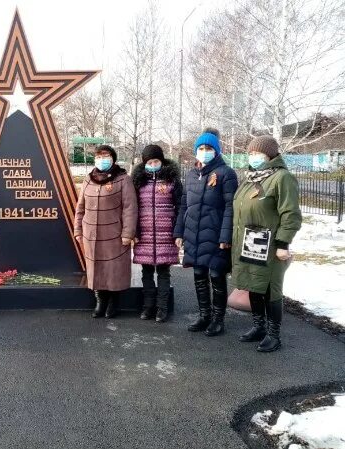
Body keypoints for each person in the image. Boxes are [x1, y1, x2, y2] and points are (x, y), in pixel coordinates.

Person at [232, 136, 302, 352]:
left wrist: (283, 243)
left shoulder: (282, 178)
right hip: (250, 240)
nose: (253, 157)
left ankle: (274, 334)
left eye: (257, 153)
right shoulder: (251, 178)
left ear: (270, 154)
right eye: (250, 153)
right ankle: (259, 326)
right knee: (254, 284)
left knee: (271, 288)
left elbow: (291, 214)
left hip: (270, 244)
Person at [173, 128, 238, 336]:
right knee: (199, 274)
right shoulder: (192, 175)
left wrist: (226, 236)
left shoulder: (226, 174)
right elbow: (184, 205)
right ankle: (204, 315)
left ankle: (218, 319)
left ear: (216, 151)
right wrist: (179, 232)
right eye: (200, 148)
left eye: (208, 148)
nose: (204, 151)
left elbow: (231, 207)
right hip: (194, 233)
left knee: (217, 275)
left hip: (216, 234)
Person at [74, 144, 138, 319]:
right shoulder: (88, 179)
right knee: (96, 269)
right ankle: (100, 302)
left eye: (106, 156)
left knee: (113, 269)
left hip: (114, 234)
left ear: (113, 158)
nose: (102, 159)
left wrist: (128, 234)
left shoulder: (123, 179)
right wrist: (78, 229)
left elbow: (130, 209)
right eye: (99, 156)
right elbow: (80, 207)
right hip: (91, 235)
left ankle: (113, 303)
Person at [132, 144, 182, 323]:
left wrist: (178, 232)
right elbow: (133, 209)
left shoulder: (172, 180)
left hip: (165, 234)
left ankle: (162, 308)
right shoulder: (138, 182)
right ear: (144, 163)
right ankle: (148, 306)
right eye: (149, 161)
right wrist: (134, 231)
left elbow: (180, 207)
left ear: (162, 161)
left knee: (163, 272)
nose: (153, 164)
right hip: (144, 234)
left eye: (156, 161)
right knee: (146, 272)